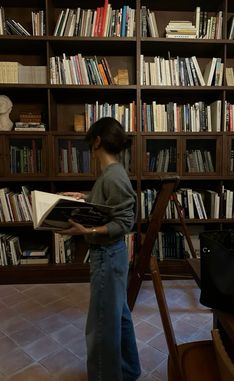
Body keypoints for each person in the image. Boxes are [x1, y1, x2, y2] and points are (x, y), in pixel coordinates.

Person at [61, 117, 141, 381]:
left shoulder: (114, 175)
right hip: (112, 256)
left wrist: (88, 231)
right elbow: (108, 205)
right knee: (118, 316)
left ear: (96, 141)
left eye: (89, 143)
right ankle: (128, 372)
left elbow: (124, 221)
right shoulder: (111, 174)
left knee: (101, 326)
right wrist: (84, 197)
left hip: (107, 256)